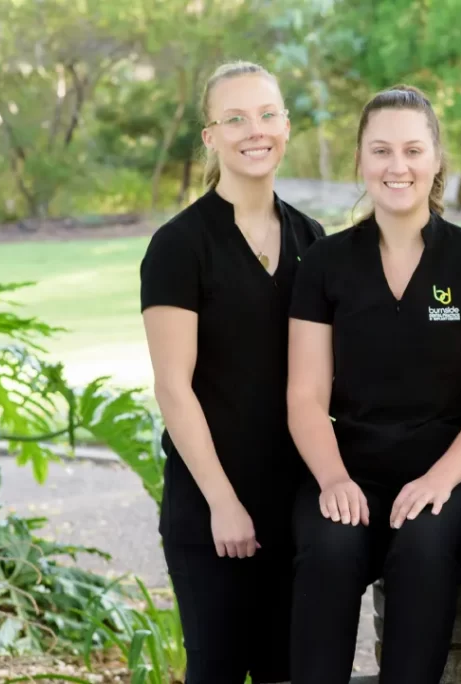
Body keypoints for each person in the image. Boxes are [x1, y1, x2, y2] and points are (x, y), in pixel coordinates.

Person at [286, 85, 461, 684]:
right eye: (381, 150)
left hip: (457, 473)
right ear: (360, 161)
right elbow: (305, 397)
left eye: (413, 150)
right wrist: (333, 479)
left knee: (423, 544)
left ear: (437, 159)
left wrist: (439, 480)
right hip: (353, 468)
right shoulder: (325, 262)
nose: (398, 166)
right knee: (330, 547)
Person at [140, 61, 325, 684]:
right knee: (216, 669)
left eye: (268, 114)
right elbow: (173, 387)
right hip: (210, 507)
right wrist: (223, 503)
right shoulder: (179, 245)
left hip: (294, 504)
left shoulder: (311, 238)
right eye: (236, 118)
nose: (255, 130)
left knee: (288, 670)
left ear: (287, 125)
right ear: (211, 136)